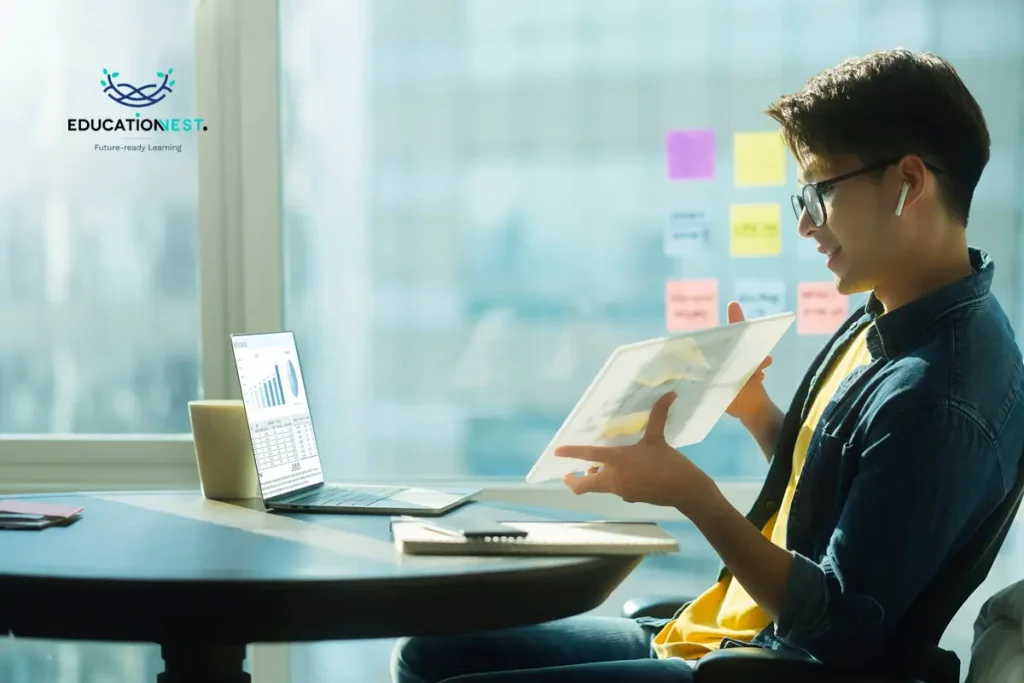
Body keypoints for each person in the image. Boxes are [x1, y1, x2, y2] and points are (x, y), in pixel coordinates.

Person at [391, 48, 1024, 683]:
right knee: (427, 654)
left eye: (820, 193)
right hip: (717, 631)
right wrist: (755, 411)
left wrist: (692, 495)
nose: (805, 224)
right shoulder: (886, 310)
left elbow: (840, 626)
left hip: (760, 665)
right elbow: (848, 488)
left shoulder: (942, 394)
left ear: (908, 183)